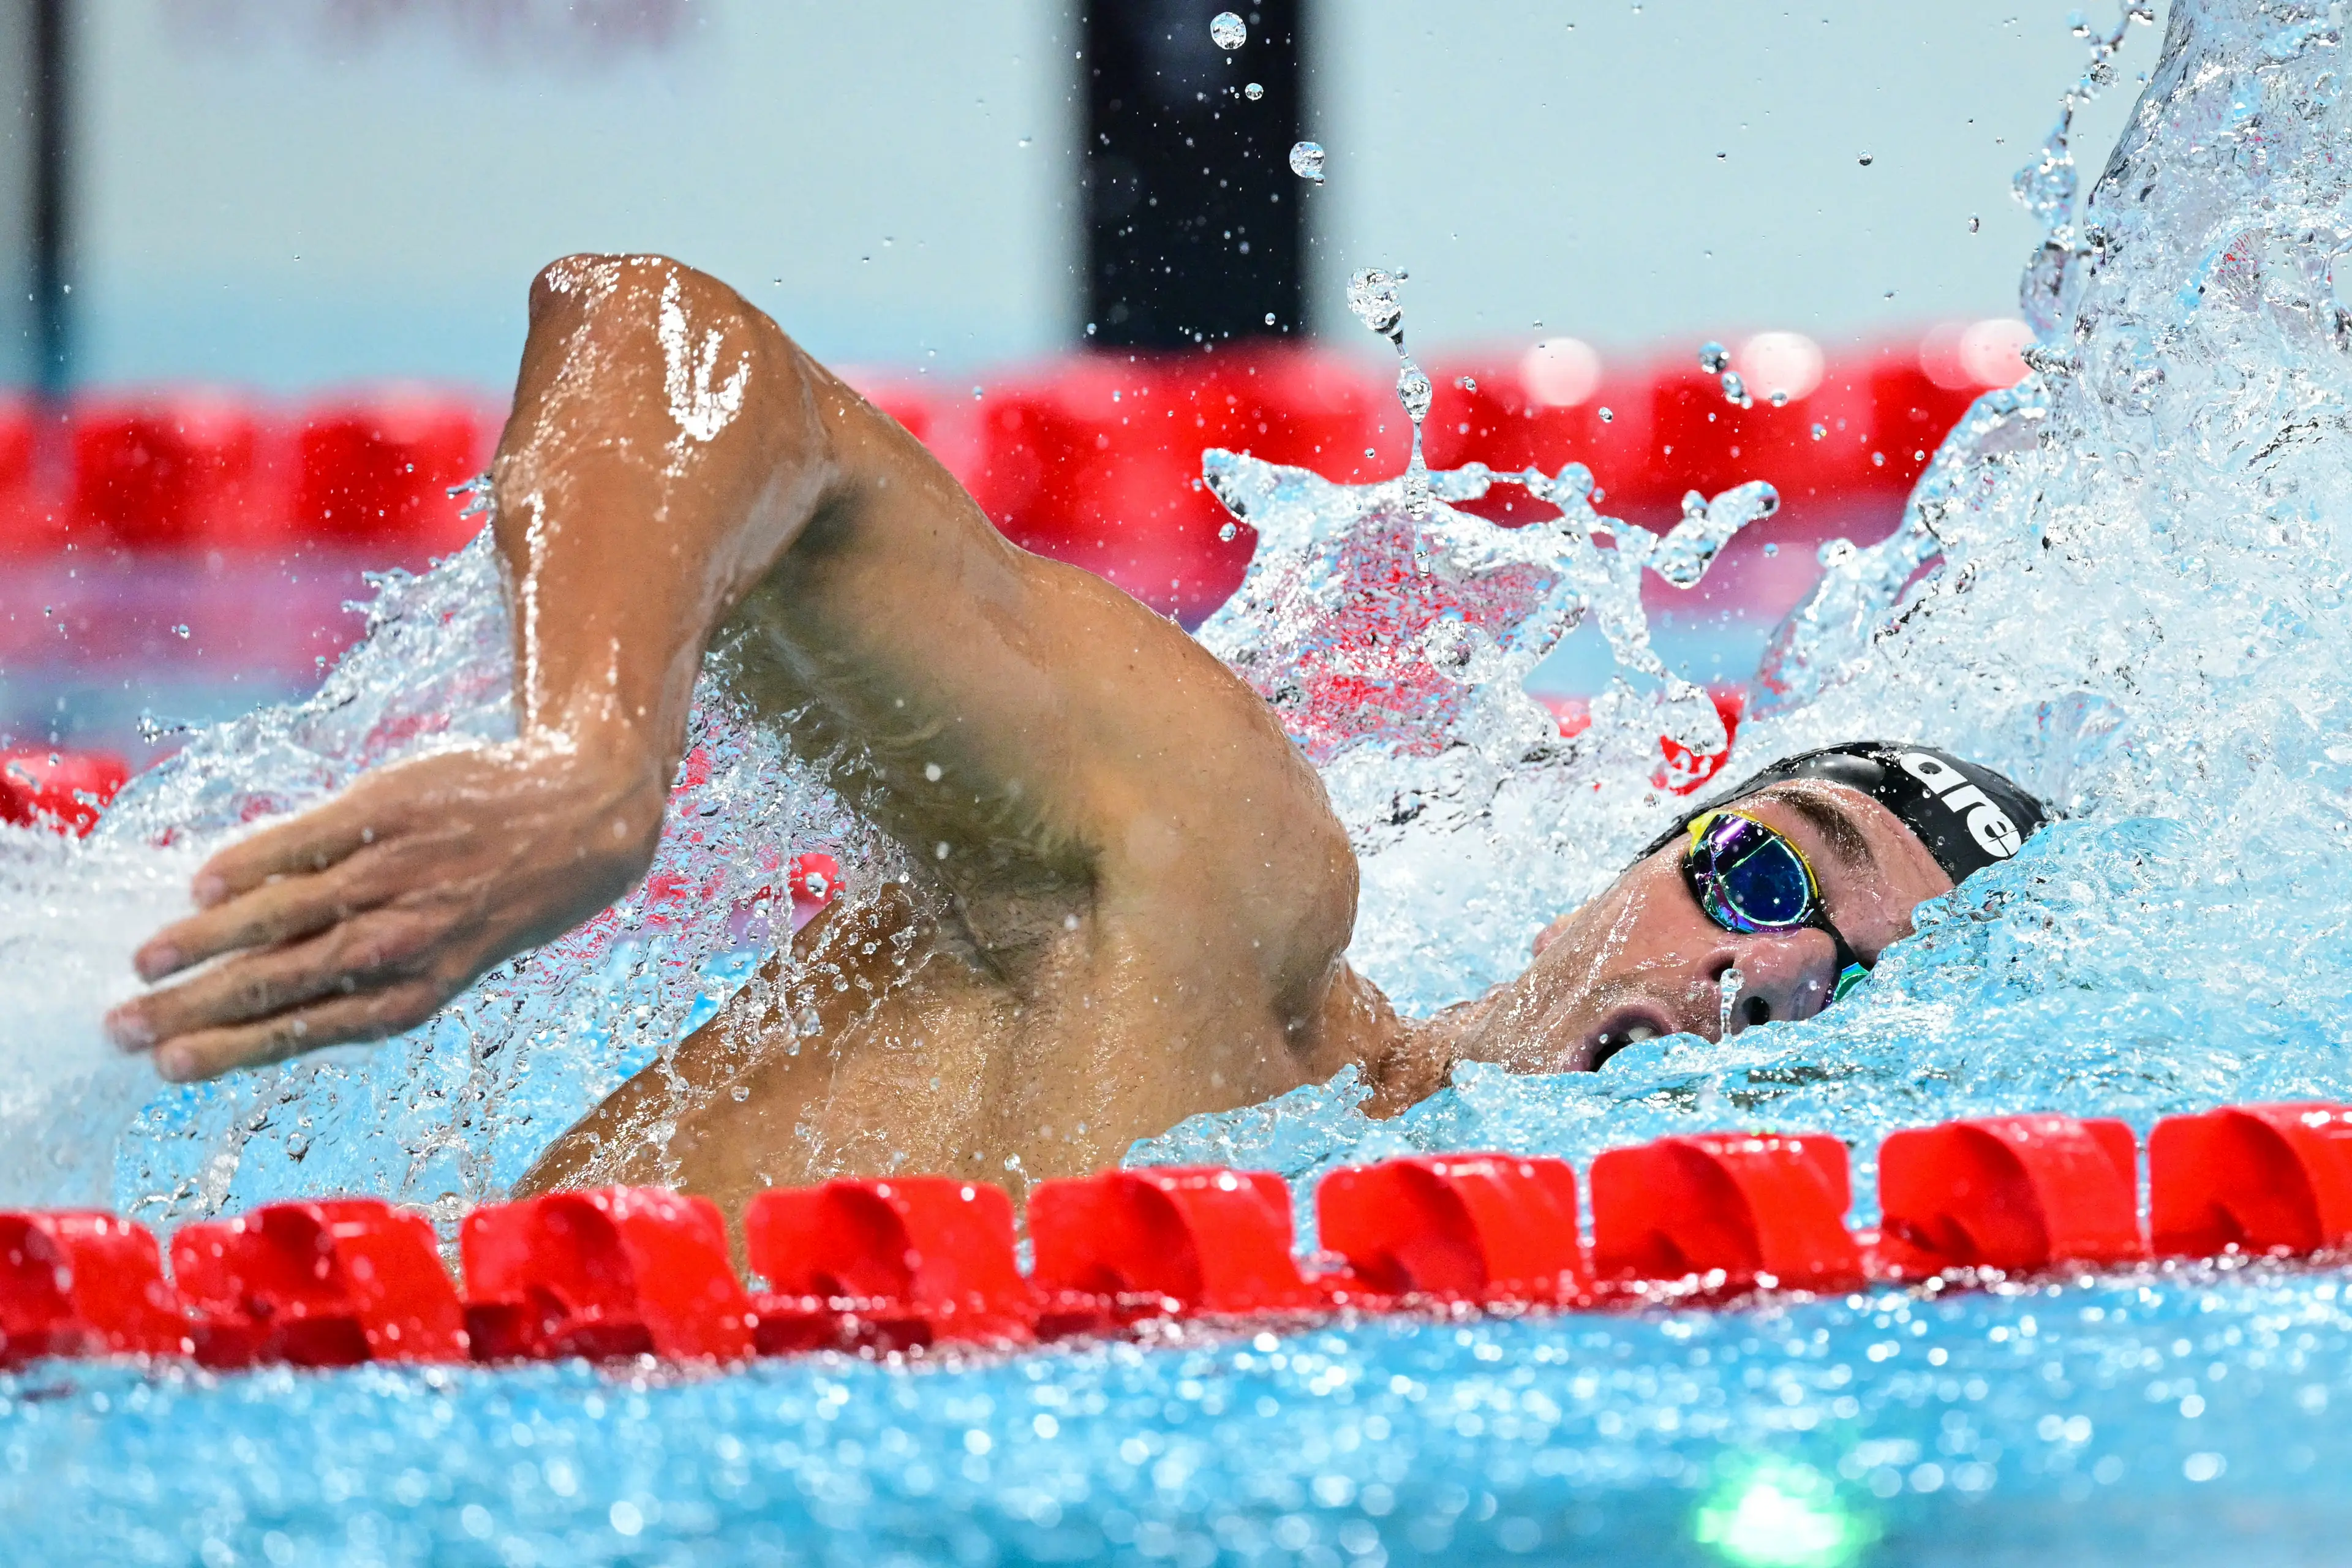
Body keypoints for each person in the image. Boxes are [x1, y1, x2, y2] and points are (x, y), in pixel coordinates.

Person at [100, 255, 2048, 1213]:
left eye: (1835, 1006)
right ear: (1640, 858)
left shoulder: (1353, 1262)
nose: (1745, 983)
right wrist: (591, 761)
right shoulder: (1224, 887)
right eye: (1771, 875)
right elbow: (659, 334)